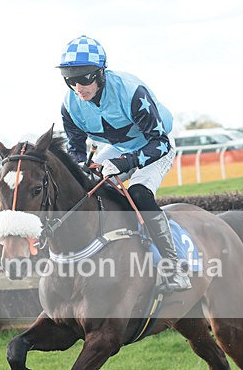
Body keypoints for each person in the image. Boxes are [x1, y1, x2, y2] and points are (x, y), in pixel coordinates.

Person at [57, 35, 190, 292]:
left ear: (101, 73)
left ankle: (175, 269)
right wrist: (86, 169)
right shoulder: (69, 105)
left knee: (138, 192)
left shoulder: (131, 91)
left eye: (85, 78)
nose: (78, 87)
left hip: (155, 146)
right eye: (70, 79)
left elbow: (159, 142)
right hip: (119, 148)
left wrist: (125, 161)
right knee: (87, 186)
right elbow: (75, 153)